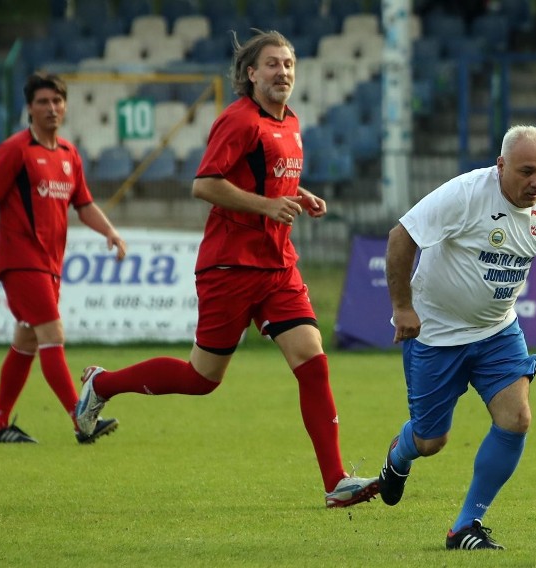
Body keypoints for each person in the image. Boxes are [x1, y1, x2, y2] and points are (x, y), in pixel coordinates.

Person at [74, 29, 379, 508]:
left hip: (278, 266)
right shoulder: (237, 120)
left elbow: (266, 179)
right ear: (251, 73)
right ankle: (103, 384)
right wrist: (266, 205)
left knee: (313, 362)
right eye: (273, 64)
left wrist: (299, 195)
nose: (283, 72)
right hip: (230, 266)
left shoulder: (291, 121)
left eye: (290, 64)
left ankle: (335, 482)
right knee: (202, 379)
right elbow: (205, 185)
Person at [376, 125, 536, 549]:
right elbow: (401, 237)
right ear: (501, 165)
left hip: (497, 331)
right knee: (431, 439)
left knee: (517, 419)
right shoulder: (465, 194)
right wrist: (402, 307)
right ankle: (399, 457)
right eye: (527, 171)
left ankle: (465, 527)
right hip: (436, 334)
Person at [0, 72, 126, 445]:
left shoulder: (68, 154)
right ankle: (81, 419)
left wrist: (109, 231)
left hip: (49, 264)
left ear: (65, 106)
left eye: (57, 101)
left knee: (26, 341)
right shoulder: (15, 150)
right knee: (52, 334)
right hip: (20, 261)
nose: (52, 108)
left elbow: (84, 204)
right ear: (29, 107)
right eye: (43, 102)